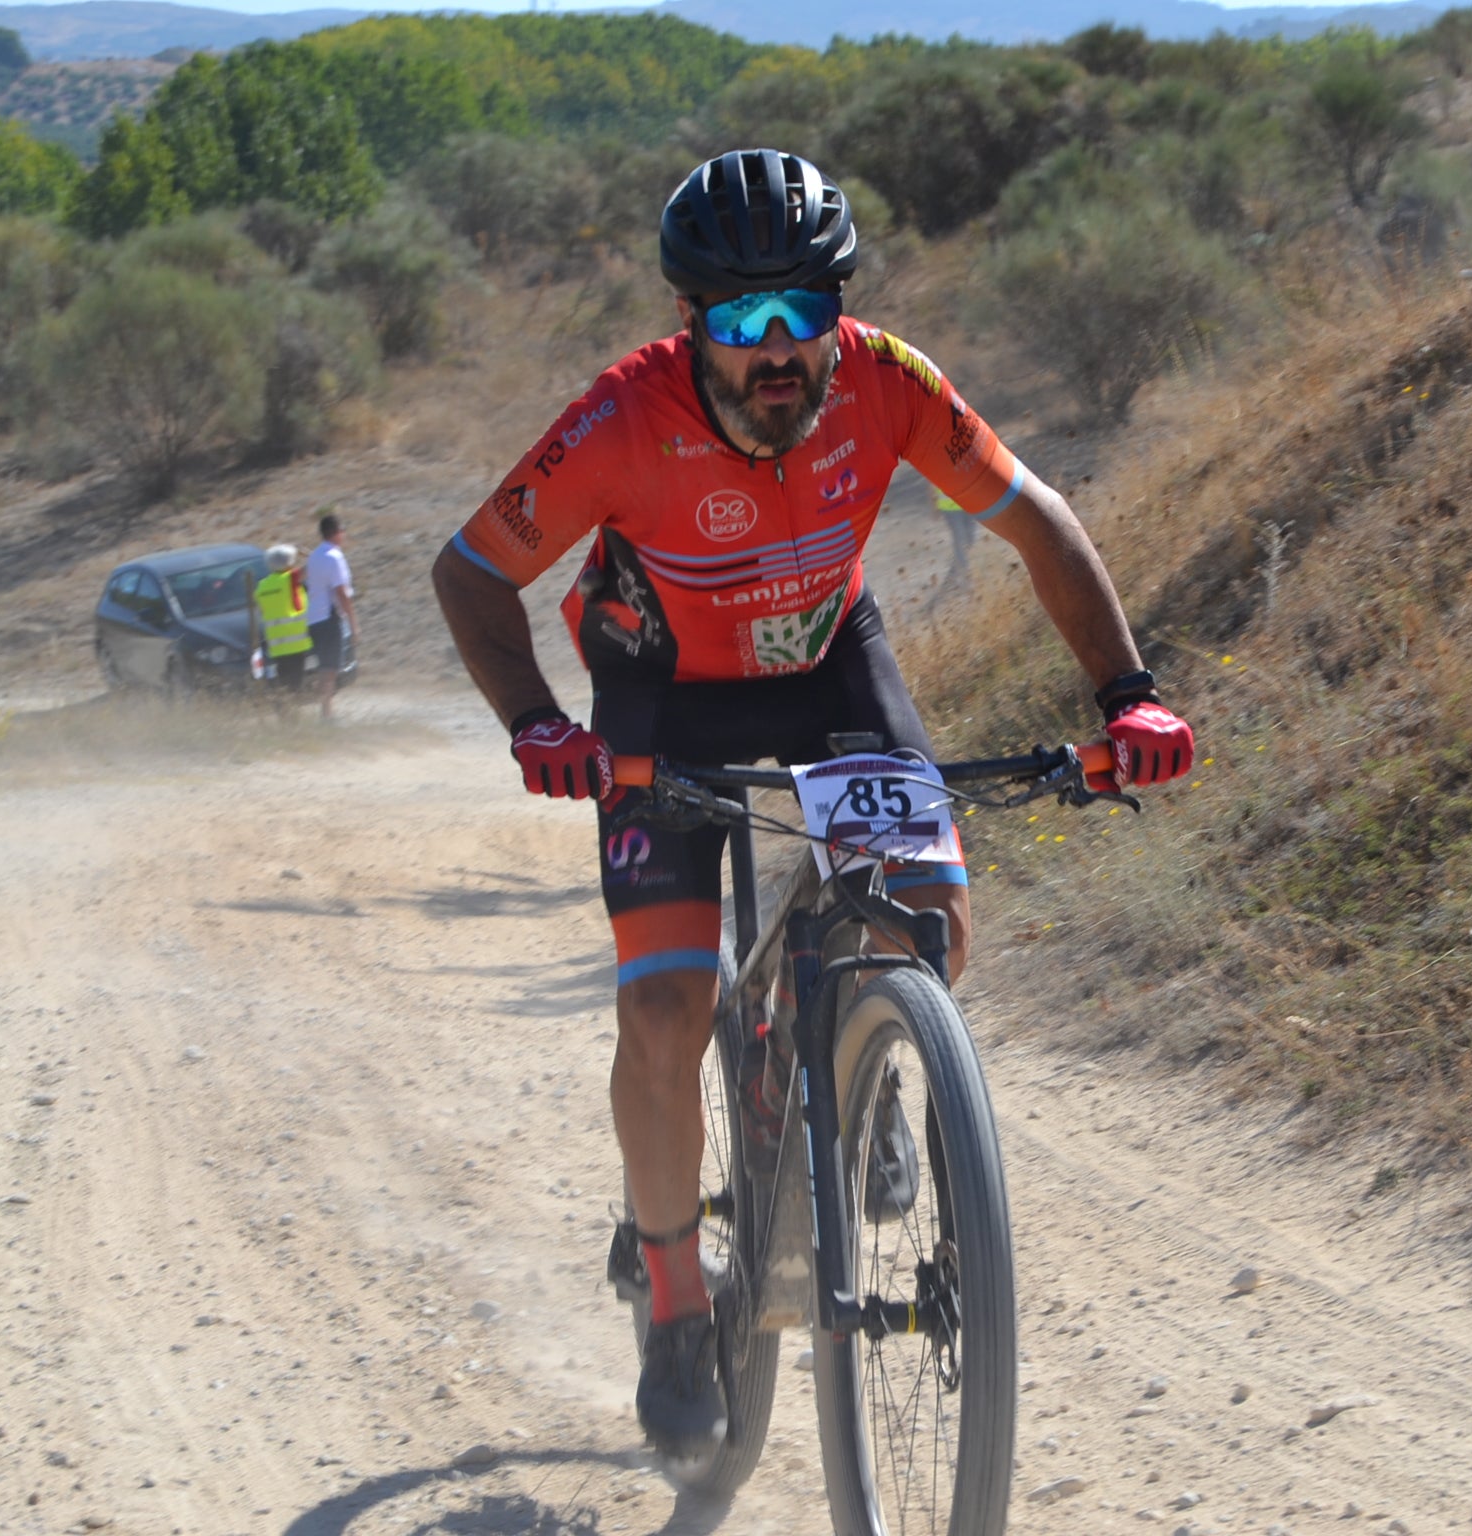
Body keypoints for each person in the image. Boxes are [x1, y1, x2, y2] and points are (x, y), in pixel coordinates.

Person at [430, 148, 1195, 1469]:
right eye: (739, 321)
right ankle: (677, 1303)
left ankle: (870, 1058)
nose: (775, 349)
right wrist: (536, 726)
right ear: (692, 327)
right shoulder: (621, 419)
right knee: (665, 1004)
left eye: (802, 312)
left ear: (837, 311)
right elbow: (469, 570)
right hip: (663, 696)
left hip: (832, 665)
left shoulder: (891, 382)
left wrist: (1127, 692)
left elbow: (1039, 521)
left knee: (934, 919)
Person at [303, 511, 356, 721]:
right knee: (330, 669)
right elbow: (341, 592)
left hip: (314, 618)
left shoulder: (315, 555)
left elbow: (302, 575)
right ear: (335, 533)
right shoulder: (334, 557)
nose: (344, 534)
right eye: (342, 530)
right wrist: (353, 623)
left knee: (325, 667)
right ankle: (326, 714)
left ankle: (326, 711)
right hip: (329, 616)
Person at [253, 544, 312, 704]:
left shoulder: (262, 586)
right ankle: (291, 716)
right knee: (296, 684)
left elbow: (261, 610)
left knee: (283, 682)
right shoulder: (290, 578)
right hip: (297, 643)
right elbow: (312, 566)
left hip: (277, 645)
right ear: (289, 562)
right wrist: (307, 553)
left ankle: (284, 712)